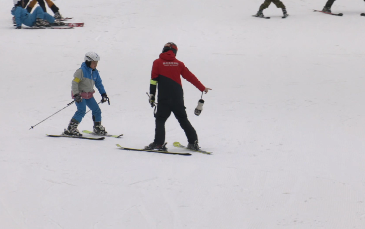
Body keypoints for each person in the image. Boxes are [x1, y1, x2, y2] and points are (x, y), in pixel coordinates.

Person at [146, 42, 212, 151]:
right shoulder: (179, 64)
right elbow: (190, 77)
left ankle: (158, 144)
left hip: (164, 97)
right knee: (183, 119)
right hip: (177, 97)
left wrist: (152, 95)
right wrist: (202, 88)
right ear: (175, 52)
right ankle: (193, 142)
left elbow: (153, 80)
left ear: (164, 50)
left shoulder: (157, 62)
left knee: (160, 119)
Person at [63, 52, 110, 136]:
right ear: (88, 62)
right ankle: (71, 128)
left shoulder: (95, 72)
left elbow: (99, 84)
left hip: (89, 95)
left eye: (96, 63)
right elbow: (75, 83)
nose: (96, 64)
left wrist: (103, 94)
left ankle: (97, 127)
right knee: (81, 110)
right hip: (80, 95)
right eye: (94, 63)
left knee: (96, 110)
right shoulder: (81, 71)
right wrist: (76, 94)